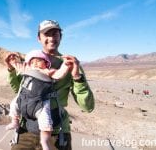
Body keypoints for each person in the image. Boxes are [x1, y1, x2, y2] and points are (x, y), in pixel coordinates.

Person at [5, 19, 95, 150]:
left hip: (56, 134)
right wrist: (11, 69)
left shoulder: (69, 64)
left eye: (55, 34)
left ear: (61, 37)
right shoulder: (31, 62)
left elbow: (87, 107)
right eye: (47, 34)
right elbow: (20, 91)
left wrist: (76, 76)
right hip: (26, 131)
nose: (51, 38)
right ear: (39, 38)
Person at [6, 50, 76, 150]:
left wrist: (65, 65)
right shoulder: (27, 69)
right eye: (32, 61)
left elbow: (59, 74)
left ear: (46, 63)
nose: (35, 64)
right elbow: (17, 66)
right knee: (14, 104)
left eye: (39, 61)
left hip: (41, 103)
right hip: (26, 99)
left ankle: (45, 141)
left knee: (45, 121)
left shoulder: (47, 71)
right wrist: (12, 62)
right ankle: (14, 121)